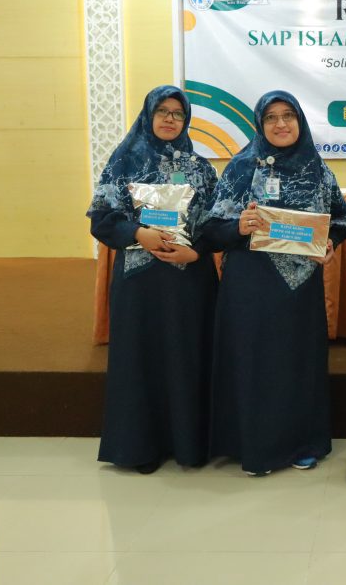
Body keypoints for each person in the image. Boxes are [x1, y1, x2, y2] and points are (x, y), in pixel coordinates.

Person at [205, 90, 346, 476]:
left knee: (297, 363)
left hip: (299, 288)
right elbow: (209, 230)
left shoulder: (316, 168)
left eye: (289, 115)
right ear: (259, 124)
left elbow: (342, 220)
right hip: (250, 286)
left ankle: (301, 444)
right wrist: (239, 226)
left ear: (300, 121)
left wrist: (330, 244)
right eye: (271, 117)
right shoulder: (241, 167)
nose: (281, 124)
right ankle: (254, 448)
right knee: (254, 364)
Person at [88, 85, 219, 474]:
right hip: (140, 281)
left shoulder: (200, 168)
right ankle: (140, 447)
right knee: (140, 359)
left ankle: (189, 444)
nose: (169, 119)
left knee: (187, 357)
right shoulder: (124, 162)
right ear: (148, 114)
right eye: (162, 111)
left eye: (178, 113)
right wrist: (137, 233)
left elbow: (216, 224)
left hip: (190, 281)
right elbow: (101, 219)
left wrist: (198, 251)